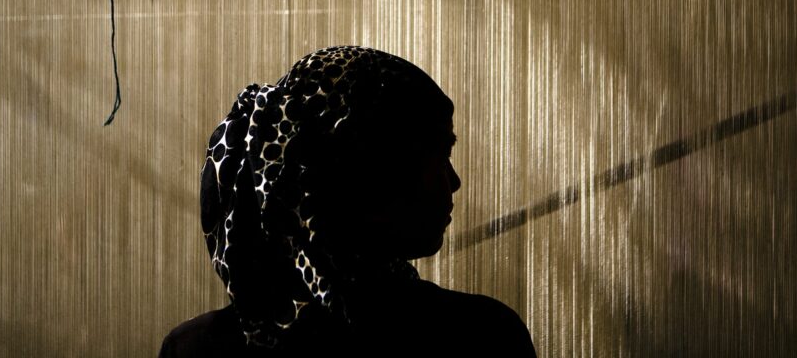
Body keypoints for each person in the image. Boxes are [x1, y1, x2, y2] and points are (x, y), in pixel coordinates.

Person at [160, 46, 537, 356]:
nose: (453, 181)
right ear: (367, 171)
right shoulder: (478, 337)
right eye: (438, 154)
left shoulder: (198, 347)